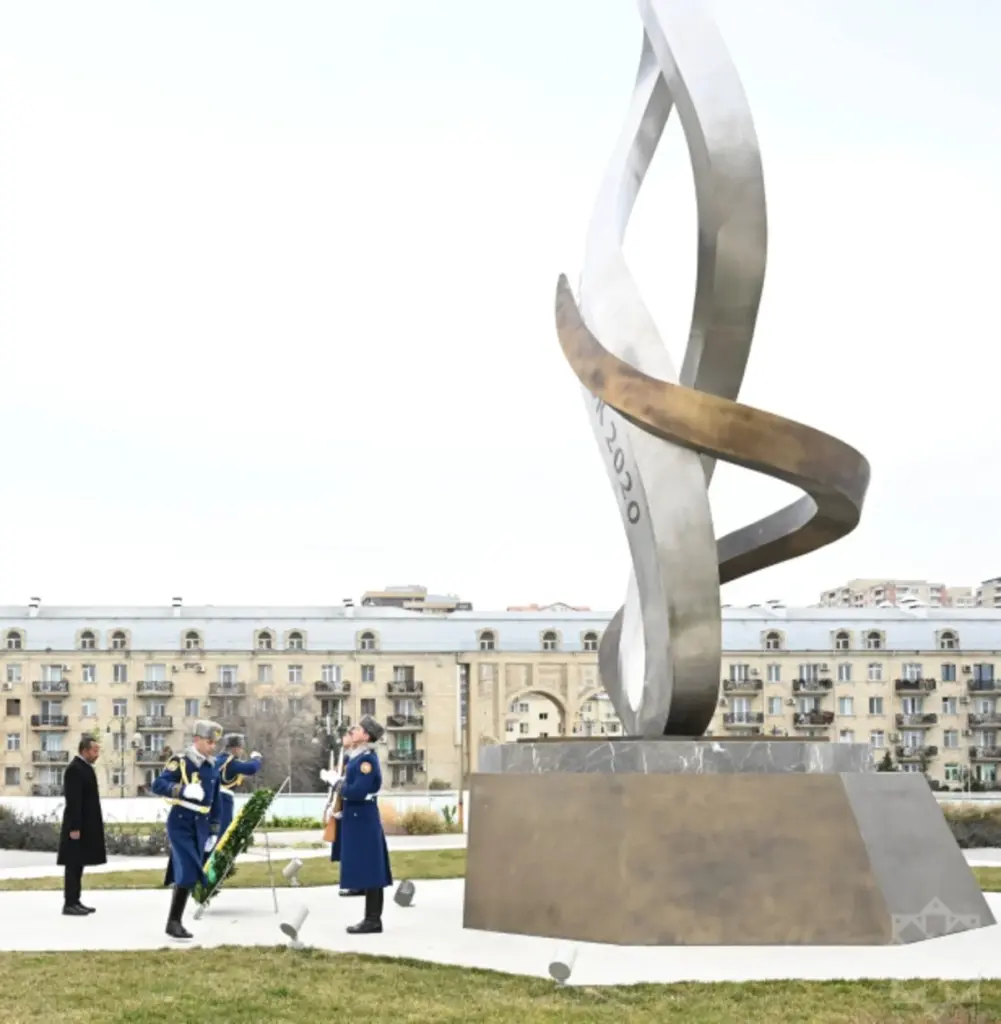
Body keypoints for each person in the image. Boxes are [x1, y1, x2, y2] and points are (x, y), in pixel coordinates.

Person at [151, 720, 224, 939]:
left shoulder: (212, 766)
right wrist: (183, 790)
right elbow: (158, 785)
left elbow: (216, 801)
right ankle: (174, 922)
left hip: (201, 823)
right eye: (209, 742)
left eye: (214, 743)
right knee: (190, 869)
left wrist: (214, 830)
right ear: (197, 740)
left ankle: (174, 922)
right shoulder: (181, 761)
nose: (212, 746)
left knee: (185, 872)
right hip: (181, 821)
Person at [325, 715, 392, 934]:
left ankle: (373, 919)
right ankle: (371, 917)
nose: (352, 731)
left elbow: (357, 791)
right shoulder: (358, 756)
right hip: (356, 816)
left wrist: (336, 783)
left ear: (366, 735)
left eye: (357, 729)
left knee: (372, 868)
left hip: (363, 816)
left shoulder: (367, 761)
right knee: (365, 865)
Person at [57, 735, 106, 916]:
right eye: (94, 750)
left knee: (79, 864)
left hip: (85, 825)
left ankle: (76, 901)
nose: (97, 754)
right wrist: (75, 827)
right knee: (73, 864)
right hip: (76, 826)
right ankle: (69, 903)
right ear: (84, 750)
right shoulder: (74, 769)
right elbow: (73, 800)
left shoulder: (85, 768)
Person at [213, 735, 263, 839]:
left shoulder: (217, 759)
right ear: (235, 748)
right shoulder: (230, 762)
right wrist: (256, 758)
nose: (241, 751)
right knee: (224, 833)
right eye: (241, 748)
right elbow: (251, 768)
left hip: (212, 798)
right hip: (224, 799)